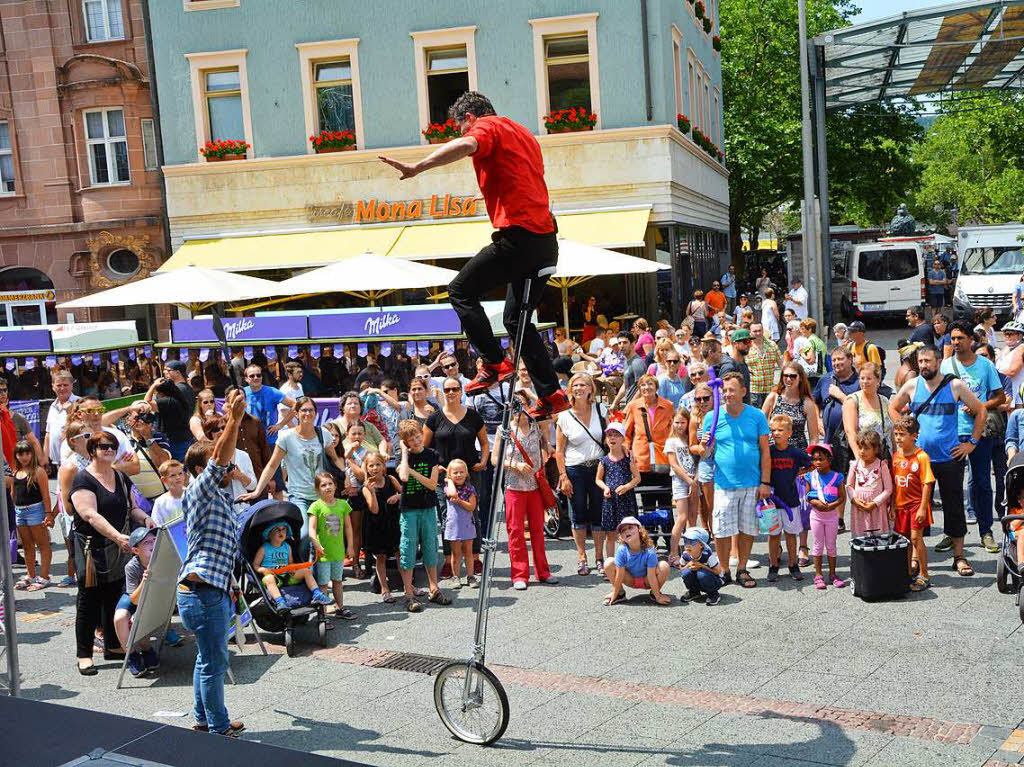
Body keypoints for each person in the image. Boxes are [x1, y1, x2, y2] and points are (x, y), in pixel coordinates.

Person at [380, 92, 568, 419]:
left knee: (460, 291)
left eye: (461, 126)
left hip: (519, 237)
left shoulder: (486, 128)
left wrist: (419, 167)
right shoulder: (525, 134)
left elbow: (467, 145)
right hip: (546, 242)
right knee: (516, 320)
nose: (463, 132)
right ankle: (551, 394)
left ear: (469, 118)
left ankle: (494, 363)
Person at [177, 390, 248, 735]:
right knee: (215, 662)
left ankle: (204, 719)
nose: (230, 467)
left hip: (208, 590)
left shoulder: (217, 493)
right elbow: (220, 459)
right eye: (222, 464)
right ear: (199, 469)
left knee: (206, 660)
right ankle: (219, 727)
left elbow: (222, 460)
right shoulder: (199, 489)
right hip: (202, 592)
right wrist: (233, 419)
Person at [889, 345, 985, 578]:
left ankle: (959, 557)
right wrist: (904, 430)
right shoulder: (912, 385)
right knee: (916, 508)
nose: (923, 365)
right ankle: (915, 557)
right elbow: (893, 408)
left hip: (949, 458)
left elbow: (980, 410)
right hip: (919, 460)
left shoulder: (955, 385)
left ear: (938, 361)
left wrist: (971, 442)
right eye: (920, 361)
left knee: (954, 507)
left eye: (928, 361)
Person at [70, 433, 154, 676]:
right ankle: (83, 654)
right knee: (89, 601)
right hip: (92, 548)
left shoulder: (120, 475)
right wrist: (117, 536)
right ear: (93, 450)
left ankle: (113, 645)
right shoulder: (83, 479)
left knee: (115, 594)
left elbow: (133, 508)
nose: (109, 450)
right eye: (104, 446)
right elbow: (89, 515)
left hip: (120, 547)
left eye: (113, 447)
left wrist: (146, 519)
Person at [700, 373, 772, 589]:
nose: (727, 394)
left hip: (752, 483)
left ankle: (741, 568)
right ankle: (724, 569)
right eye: (724, 390)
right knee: (721, 530)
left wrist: (765, 482)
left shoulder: (757, 416)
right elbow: (705, 454)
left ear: (743, 391)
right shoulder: (712, 417)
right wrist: (705, 445)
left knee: (747, 528)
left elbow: (765, 452)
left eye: (732, 390)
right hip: (723, 484)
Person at [241, 398, 347, 536]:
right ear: (296, 413)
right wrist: (257, 491)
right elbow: (272, 465)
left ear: (315, 413)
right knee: (304, 535)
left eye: (311, 410)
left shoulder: (324, 434)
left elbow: (335, 458)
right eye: (303, 410)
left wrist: (347, 476)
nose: (307, 413)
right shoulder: (286, 437)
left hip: (322, 494)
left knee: (326, 536)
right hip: (299, 496)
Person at [941, 320, 1004, 553]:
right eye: (953, 339)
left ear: (971, 340)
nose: (956, 342)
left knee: (982, 484)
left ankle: (986, 532)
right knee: (952, 486)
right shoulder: (945, 366)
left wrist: (979, 405)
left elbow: (1000, 397)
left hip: (980, 432)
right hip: (952, 433)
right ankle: (952, 533)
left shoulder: (985, 366)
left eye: (960, 338)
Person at [493, 393, 557, 590]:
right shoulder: (503, 430)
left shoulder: (537, 427)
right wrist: (515, 465)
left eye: (520, 405)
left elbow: (553, 412)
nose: (517, 410)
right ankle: (519, 574)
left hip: (535, 486)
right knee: (516, 531)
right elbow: (495, 459)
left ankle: (543, 571)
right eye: (513, 406)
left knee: (538, 530)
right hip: (514, 486)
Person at [554, 374, 608, 576]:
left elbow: (610, 438)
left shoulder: (601, 410)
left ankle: (599, 557)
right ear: (570, 389)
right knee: (578, 514)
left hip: (599, 468)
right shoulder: (564, 416)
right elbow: (559, 450)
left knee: (598, 513)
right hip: (575, 469)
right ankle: (582, 557)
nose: (579, 388)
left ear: (590, 389)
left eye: (583, 384)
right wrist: (563, 476)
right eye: (575, 385)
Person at [396, 419, 450, 612]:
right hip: (409, 509)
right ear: (405, 442)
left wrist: (412, 472)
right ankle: (408, 593)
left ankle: (434, 588)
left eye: (418, 436)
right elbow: (402, 477)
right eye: (411, 439)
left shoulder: (432, 455)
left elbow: (431, 483)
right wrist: (404, 453)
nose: (416, 441)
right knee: (408, 549)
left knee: (430, 546)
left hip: (427, 507)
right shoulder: (403, 457)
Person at [892, 417, 933, 592]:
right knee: (905, 541)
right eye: (896, 434)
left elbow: (928, 483)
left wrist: (923, 507)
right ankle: (907, 572)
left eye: (902, 434)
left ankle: (924, 574)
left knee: (917, 538)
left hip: (917, 504)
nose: (898, 438)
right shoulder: (896, 456)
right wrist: (892, 505)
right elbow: (894, 483)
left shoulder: (921, 457)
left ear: (914, 436)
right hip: (901, 505)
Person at [767, 414, 810, 582]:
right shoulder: (768, 451)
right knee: (774, 535)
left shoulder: (795, 452)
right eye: (773, 430)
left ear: (789, 433)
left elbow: (811, 463)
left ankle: (793, 564)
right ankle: (773, 565)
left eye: (780, 430)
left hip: (791, 501)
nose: (776, 433)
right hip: (771, 502)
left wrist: (797, 473)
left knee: (791, 534)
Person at [307, 471, 355, 620]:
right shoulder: (316, 506)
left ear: (335, 486)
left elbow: (348, 527)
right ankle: (323, 613)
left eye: (330, 484)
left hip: (338, 552)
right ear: (317, 490)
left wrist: (350, 546)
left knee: (338, 581)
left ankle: (340, 608)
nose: (327, 487)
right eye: (323, 485)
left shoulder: (343, 505)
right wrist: (315, 543)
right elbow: (312, 529)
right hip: (323, 555)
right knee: (322, 584)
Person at [254, 521, 332, 610]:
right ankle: (280, 602)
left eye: (284, 530)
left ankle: (317, 594)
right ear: (269, 534)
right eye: (277, 530)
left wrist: (292, 568)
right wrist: (263, 570)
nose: (281, 532)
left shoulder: (287, 547)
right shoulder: (264, 548)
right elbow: (256, 565)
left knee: (306, 571)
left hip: (287, 575)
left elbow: (290, 562)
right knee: (268, 578)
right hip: (273, 576)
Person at [115, 527, 160, 678]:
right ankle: (132, 655)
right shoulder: (132, 566)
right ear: (136, 551)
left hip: (155, 597)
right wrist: (144, 581)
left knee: (139, 619)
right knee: (120, 618)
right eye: (146, 542)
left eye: (154, 539)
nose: (152, 543)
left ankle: (147, 649)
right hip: (134, 594)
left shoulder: (163, 558)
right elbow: (134, 598)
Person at [9, 440, 53, 591]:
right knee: (27, 545)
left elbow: (45, 494)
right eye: (21, 454)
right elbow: (13, 493)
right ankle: (31, 575)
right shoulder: (16, 472)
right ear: (16, 455)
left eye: (27, 453)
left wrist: (48, 514)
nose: (24, 457)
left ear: (32, 454)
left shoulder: (38, 471)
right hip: (19, 511)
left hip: (35, 510)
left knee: (42, 544)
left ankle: (45, 577)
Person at [596, 421, 640, 559]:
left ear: (623, 439)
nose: (612, 438)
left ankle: (629, 562)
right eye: (609, 435)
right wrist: (605, 488)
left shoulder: (628, 459)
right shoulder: (604, 460)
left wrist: (627, 486)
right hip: (610, 502)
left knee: (629, 532)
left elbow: (637, 478)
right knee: (610, 535)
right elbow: (598, 479)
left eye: (616, 435)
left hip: (626, 500)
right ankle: (610, 562)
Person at [361, 451, 402, 603]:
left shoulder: (390, 479)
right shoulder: (366, 488)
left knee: (399, 552)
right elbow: (374, 510)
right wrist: (371, 492)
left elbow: (404, 493)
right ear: (366, 468)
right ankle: (385, 588)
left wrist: (398, 496)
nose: (375, 468)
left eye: (378, 464)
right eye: (371, 465)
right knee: (381, 556)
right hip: (377, 525)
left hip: (393, 521)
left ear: (383, 466)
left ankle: (407, 584)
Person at [805, 443, 847, 589]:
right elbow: (807, 496)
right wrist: (816, 502)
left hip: (831, 517)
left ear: (829, 460)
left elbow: (842, 497)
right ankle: (818, 575)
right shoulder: (811, 476)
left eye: (821, 459)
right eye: (815, 459)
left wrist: (831, 506)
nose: (817, 462)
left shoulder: (837, 477)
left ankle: (833, 574)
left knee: (831, 545)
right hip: (816, 516)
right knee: (817, 545)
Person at [603, 516, 671, 605]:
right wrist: (615, 593)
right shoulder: (622, 550)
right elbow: (620, 574)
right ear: (622, 536)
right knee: (609, 562)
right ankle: (620, 594)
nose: (627, 531)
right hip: (630, 580)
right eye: (623, 530)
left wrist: (658, 597)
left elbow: (651, 576)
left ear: (639, 530)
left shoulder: (649, 551)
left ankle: (655, 594)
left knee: (664, 566)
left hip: (647, 581)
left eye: (630, 528)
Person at [843, 361, 891, 468]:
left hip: (884, 459)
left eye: (869, 378)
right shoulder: (853, 400)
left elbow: (890, 432)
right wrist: (860, 460)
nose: (864, 382)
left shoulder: (884, 401)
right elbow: (850, 432)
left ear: (878, 380)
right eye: (862, 378)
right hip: (863, 459)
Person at [623, 375, 674, 478]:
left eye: (650, 384)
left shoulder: (668, 405)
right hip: (641, 458)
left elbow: (673, 431)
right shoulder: (633, 406)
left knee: (664, 492)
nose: (646, 387)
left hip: (663, 457)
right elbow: (627, 433)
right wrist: (626, 451)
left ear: (656, 387)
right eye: (643, 385)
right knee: (645, 491)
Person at [665, 406, 697, 567]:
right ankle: (673, 552)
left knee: (692, 518)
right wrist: (689, 481)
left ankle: (690, 552)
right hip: (680, 481)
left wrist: (694, 480)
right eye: (677, 422)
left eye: (683, 422)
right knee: (682, 517)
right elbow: (674, 465)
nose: (679, 426)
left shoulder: (690, 440)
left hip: (693, 479)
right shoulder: (671, 441)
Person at [763, 363, 820, 453]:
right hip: (773, 452)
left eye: (793, 376)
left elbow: (814, 437)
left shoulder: (807, 403)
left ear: (800, 378)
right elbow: (760, 425)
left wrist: (808, 458)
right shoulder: (773, 397)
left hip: (797, 454)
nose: (789, 379)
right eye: (785, 376)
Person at [845, 429, 892, 536]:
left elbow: (888, 489)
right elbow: (849, 485)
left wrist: (875, 503)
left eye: (866, 448)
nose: (862, 451)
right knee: (861, 536)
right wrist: (854, 500)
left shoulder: (881, 465)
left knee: (878, 537)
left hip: (877, 508)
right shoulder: (855, 465)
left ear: (876, 449)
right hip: (859, 507)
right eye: (860, 447)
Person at [443, 458, 477, 589]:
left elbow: (471, 507)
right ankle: (456, 576)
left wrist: (459, 502)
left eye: (461, 472)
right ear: (450, 475)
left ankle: (470, 576)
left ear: (467, 473)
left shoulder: (470, 489)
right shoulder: (448, 487)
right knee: (456, 553)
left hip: (467, 524)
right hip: (454, 526)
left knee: (468, 552)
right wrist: (449, 480)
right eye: (455, 473)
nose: (459, 475)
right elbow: (452, 493)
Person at [144, 377, 194, 462]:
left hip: (176, 442)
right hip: (183, 439)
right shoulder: (177, 399)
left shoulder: (168, 402)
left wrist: (153, 386)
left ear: (161, 393)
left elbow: (146, 403)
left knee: (178, 467)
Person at [678, 526, 725, 605]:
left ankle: (713, 594)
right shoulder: (685, 555)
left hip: (715, 580)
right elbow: (681, 568)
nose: (688, 545)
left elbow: (718, 571)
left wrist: (702, 566)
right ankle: (694, 591)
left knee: (701, 574)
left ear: (701, 545)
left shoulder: (708, 556)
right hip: (700, 580)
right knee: (686, 573)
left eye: (692, 542)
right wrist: (687, 566)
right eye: (686, 541)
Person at [43, 369, 79, 470]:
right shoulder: (52, 406)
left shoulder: (80, 403)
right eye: (59, 385)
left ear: (72, 385)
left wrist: (69, 413)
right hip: (57, 463)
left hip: (75, 460)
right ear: (53, 386)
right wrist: (45, 457)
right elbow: (48, 434)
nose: (62, 388)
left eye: (65, 385)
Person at [747, 322, 783, 409]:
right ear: (750, 332)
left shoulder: (772, 345)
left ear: (763, 331)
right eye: (755, 331)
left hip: (769, 389)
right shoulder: (747, 347)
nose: (758, 333)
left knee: (769, 417)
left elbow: (782, 364)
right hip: (753, 390)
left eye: (760, 330)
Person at [152, 459, 186, 526]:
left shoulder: (193, 494)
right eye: (172, 475)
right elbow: (158, 526)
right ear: (164, 480)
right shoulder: (160, 502)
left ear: (184, 475)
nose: (178, 477)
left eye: (180, 473)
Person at [998, 322, 1024, 408]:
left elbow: (1013, 371)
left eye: (1010, 334)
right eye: (1005, 334)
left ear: (1020, 335)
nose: (1007, 336)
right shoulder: (1006, 349)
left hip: (1017, 393)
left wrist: (994, 377)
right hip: (1006, 391)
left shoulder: (1021, 348)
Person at [278, 362, 304, 428]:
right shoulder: (285, 390)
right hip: (287, 429)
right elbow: (284, 413)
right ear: (290, 375)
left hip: (297, 426)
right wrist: (294, 430)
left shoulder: (299, 386)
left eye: (301, 372)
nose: (301, 374)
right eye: (298, 372)